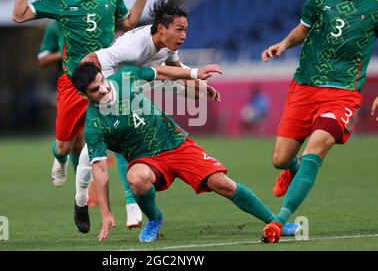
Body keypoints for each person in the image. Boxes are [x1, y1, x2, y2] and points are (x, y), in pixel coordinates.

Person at [71, 62, 301, 243]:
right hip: (145, 159)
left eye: (101, 81)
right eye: (95, 90)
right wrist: (106, 213)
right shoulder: (93, 125)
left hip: (176, 144)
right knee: (136, 178)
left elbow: (161, 72)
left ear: (102, 74)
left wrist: (194, 73)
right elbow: (100, 171)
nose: (103, 89)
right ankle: (155, 219)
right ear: (85, 95)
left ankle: (276, 222)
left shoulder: (125, 76)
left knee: (224, 184)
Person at [12, 0, 151, 225]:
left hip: (105, 80)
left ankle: (127, 204)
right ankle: (60, 159)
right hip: (73, 84)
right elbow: (19, 15)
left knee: (118, 140)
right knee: (65, 145)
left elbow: (129, 23)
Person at [72, 0, 222, 233]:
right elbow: (91, 59)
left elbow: (174, 70)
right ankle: (83, 199)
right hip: (114, 84)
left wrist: (202, 85)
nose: (183, 36)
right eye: (180, 29)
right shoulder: (131, 47)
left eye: (185, 30)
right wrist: (89, 86)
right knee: (95, 151)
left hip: (144, 79)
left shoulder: (168, 47)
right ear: (162, 29)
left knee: (189, 90)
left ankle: (126, 203)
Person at [260, 0, 378, 243]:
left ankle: (279, 220)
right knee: (280, 159)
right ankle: (292, 169)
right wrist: (284, 44)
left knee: (316, 149)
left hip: (344, 93)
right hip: (306, 86)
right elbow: (304, 29)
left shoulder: (376, 3)